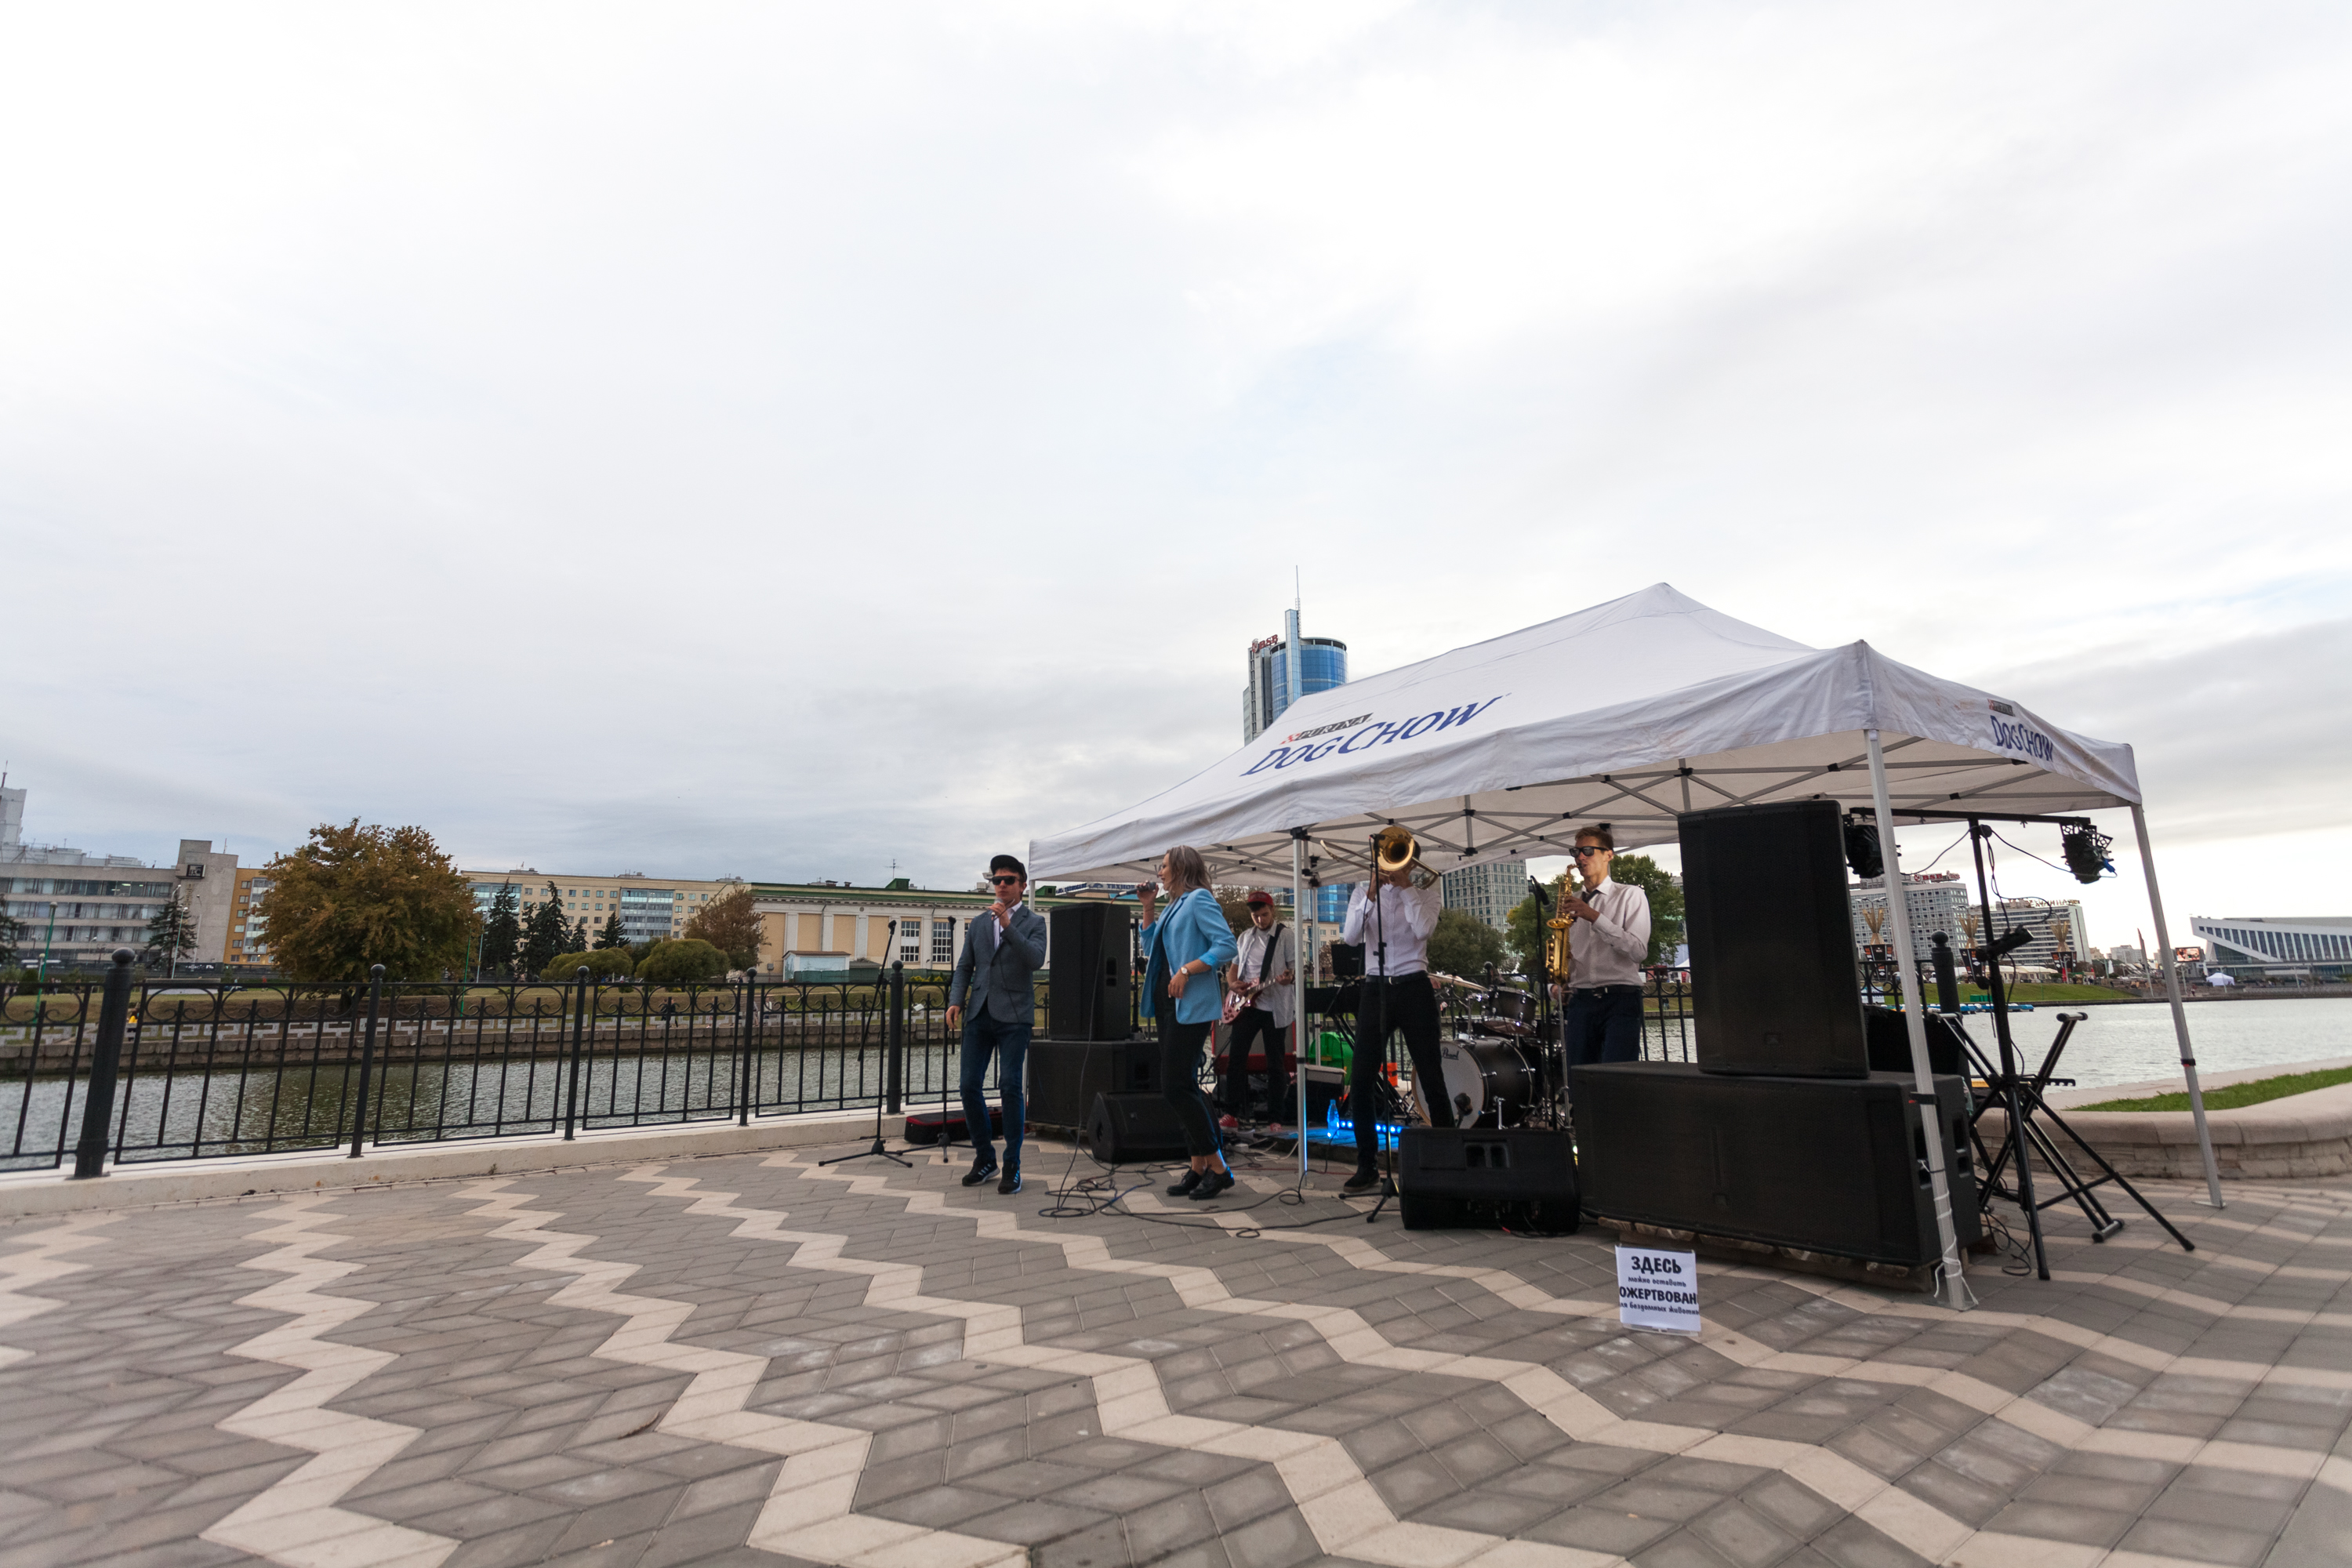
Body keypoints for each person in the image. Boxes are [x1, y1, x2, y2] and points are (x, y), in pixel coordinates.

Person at [1339, 856, 1449, 1196]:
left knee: (1430, 1073)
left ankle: (1448, 1162)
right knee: (1360, 1078)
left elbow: (1423, 930)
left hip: (1415, 985)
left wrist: (1406, 889)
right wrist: (1371, 894)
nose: (1391, 866)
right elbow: (1350, 937)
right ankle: (1367, 1165)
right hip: (1376, 987)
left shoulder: (1427, 894)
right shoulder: (1361, 894)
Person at [1135, 845, 1240, 1200]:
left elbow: (1226, 946)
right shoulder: (1173, 906)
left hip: (1190, 1005)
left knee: (1175, 1086)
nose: (1160, 872)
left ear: (1180, 869)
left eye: (1164, 866)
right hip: (1168, 1003)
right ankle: (1197, 1166)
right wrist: (1148, 906)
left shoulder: (1199, 900)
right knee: (1182, 1086)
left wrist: (1187, 969)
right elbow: (1150, 947)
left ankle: (1219, 1168)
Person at [946, 854, 1049, 1195]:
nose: (1001, 885)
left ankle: (1012, 1163)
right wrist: (956, 1001)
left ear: (1022, 885)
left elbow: (1035, 959)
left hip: (1015, 1016)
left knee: (1009, 1086)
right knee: (968, 1086)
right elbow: (965, 966)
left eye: (1008, 880)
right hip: (979, 1013)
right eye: (996, 880)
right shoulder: (978, 923)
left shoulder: (1034, 922)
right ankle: (984, 1158)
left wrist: (1007, 924)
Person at [1560, 825, 1653, 1076]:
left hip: (1620, 999)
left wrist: (1594, 917)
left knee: (1618, 1078)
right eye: (1576, 852)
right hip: (1581, 1001)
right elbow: (1568, 954)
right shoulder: (1570, 901)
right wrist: (1559, 980)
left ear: (1608, 855)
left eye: (1588, 851)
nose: (1580, 857)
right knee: (1580, 1078)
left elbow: (1638, 951)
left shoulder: (1630, 895)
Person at [1221, 890, 1297, 1129]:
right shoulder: (1245, 937)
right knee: (1236, 1060)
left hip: (1275, 1007)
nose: (1260, 920)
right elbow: (1233, 970)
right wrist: (1233, 985)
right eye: (1256, 916)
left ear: (1272, 910)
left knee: (1276, 1064)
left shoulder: (1286, 936)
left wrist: (1288, 978)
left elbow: (1294, 971)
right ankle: (1231, 1114)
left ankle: (1275, 1119)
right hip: (1246, 1006)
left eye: (1264, 915)